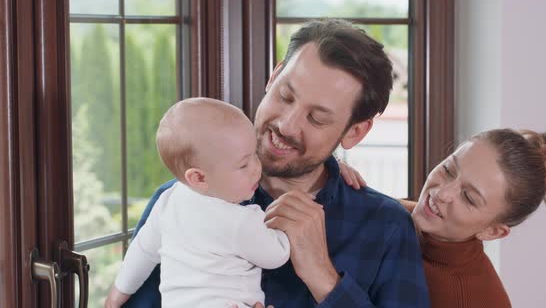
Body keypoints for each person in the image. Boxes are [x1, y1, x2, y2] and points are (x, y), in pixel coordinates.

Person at [123, 19, 430, 308]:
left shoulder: (385, 227)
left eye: (316, 118)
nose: (286, 124)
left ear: (354, 131)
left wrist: (325, 279)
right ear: (274, 76)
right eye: (285, 96)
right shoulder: (185, 197)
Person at [340, 128, 546, 308]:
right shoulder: (404, 217)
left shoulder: (466, 298)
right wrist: (332, 178)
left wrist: (323, 277)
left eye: (469, 198)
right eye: (449, 170)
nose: (441, 193)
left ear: (493, 232)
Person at [104, 98, 290, 307]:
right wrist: (285, 223)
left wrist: (117, 294)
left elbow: (142, 252)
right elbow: (277, 255)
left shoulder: (167, 202)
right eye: (244, 164)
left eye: (255, 154)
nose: (257, 167)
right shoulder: (240, 220)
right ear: (199, 178)